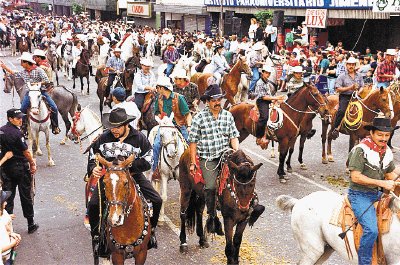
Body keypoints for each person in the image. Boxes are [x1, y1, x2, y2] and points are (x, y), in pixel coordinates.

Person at [189, 84, 265, 234]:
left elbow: (233, 136)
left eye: (219, 99)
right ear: (207, 101)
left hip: (226, 153)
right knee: (210, 186)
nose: (217, 103)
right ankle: (212, 217)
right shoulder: (199, 118)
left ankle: (251, 205)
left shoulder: (227, 115)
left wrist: (235, 150)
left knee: (244, 176)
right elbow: (193, 141)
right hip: (208, 157)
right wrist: (193, 162)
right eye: (213, 100)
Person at [87, 108, 162, 250]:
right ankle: (97, 236)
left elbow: (149, 158)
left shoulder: (139, 138)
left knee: (157, 200)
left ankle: (151, 232)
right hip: (110, 177)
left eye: (117, 127)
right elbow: (93, 154)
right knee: (93, 205)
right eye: (112, 127)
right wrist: (93, 168)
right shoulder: (103, 138)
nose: (114, 130)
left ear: (126, 125)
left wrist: (130, 166)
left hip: (132, 174)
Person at [347, 116, 398, 265]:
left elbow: (390, 174)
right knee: (371, 230)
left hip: (376, 193)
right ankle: (364, 262)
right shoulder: (360, 150)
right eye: (380, 135)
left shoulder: (385, 151)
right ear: (372, 134)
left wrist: (395, 180)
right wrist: (382, 183)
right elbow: (355, 177)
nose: (384, 138)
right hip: (359, 195)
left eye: (387, 135)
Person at [0, 52, 60, 134]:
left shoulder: (39, 70)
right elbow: (14, 73)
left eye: (22, 62)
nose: (21, 64)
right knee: (22, 109)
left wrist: (37, 84)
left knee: (54, 107)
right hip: (30, 93)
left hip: (41, 91)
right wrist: (5, 67)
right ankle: (24, 127)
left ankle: (55, 126)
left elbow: (46, 80)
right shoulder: (23, 72)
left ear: (26, 62)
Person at [0, 109, 39, 234]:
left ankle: (8, 227)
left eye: (21, 118)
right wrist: (32, 164)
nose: (21, 120)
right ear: (10, 119)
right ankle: (30, 224)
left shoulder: (1, 131)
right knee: (26, 196)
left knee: (8, 198)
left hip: (6, 169)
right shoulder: (18, 134)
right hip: (20, 168)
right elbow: (26, 152)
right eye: (18, 118)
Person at [331, 57, 364, 139]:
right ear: (346, 65)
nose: (351, 66)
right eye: (349, 64)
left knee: (365, 108)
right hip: (345, 96)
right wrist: (350, 88)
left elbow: (362, 86)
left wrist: (359, 91)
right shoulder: (342, 76)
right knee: (342, 110)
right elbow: (337, 88)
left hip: (356, 95)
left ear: (355, 65)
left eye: (353, 64)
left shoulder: (359, 75)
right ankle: (336, 128)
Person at [255, 65, 286, 147]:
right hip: (262, 101)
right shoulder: (259, 83)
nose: (268, 74)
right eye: (266, 73)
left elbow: (269, 94)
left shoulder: (267, 82)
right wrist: (276, 97)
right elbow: (263, 97)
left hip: (268, 99)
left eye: (269, 73)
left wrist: (275, 100)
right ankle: (259, 135)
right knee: (264, 117)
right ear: (263, 73)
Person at [0, 190, 22, 265]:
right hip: (3, 255)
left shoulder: (3, 212)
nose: (6, 203)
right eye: (3, 202)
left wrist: (11, 234)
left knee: (11, 260)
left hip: (8, 252)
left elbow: (4, 229)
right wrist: (12, 244)